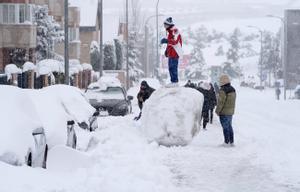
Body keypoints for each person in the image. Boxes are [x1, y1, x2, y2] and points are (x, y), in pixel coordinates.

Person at [160, 17, 183, 87]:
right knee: (170, 67)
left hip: (175, 53)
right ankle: (172, 81)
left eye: (165, 25)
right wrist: (167, 50)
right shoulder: (170, 32)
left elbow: (175, 42)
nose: (164, 26)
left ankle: (175, 81)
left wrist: (166, 40)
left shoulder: (175, 31)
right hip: (171, 53)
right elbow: (170, 43)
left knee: (173, 67)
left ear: (169, 24)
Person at [215, 75, 236, 146]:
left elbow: (221, 102)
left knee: (225, 127)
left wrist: (217, 111)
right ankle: (231, 142)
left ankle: (226, 142)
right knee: (229, 126)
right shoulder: (233, 89)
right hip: (230, 112)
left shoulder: (223, 90)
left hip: (224, 112)